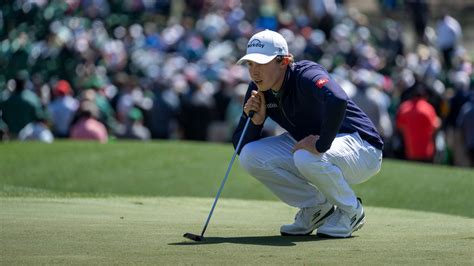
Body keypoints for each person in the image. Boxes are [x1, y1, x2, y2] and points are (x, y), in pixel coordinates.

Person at [232, 29, 384, 238]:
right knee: (250, 156)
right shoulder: (258, 89)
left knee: (306, 156)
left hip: (363, 148)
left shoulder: (307, 74)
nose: (254, 71)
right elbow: (240, 147)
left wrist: (321, 144)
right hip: (318, 150)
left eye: (261, 63)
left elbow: (337, 99)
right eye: (250, 64)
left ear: (284, 62)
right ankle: (316, 209)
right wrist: (256, 123)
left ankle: (351, 211)